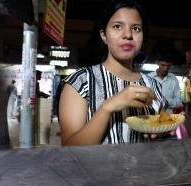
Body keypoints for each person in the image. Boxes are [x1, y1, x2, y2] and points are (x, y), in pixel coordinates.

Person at [58, 0, 167, 145]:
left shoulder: (153, 86)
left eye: (136, 29)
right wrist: (107, 108)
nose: (128, 34)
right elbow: (69, 148)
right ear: (104, 35)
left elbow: (157, 138)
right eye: (117, 26)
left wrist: (163, 131)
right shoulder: (80, 82)